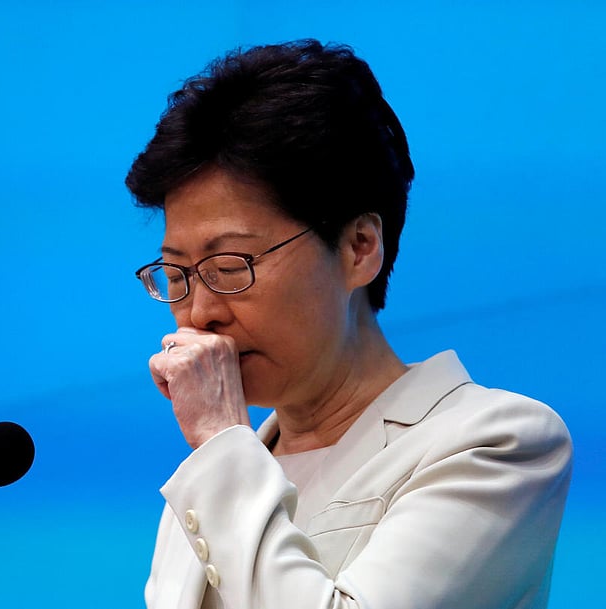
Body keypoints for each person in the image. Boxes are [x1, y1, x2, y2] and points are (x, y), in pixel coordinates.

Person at [125, 40, 572, 609]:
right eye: (176, 272)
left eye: (230, 266)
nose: (200, 311)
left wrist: (217, 444)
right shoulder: (210, 480)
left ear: (360, 247)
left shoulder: (497, 442)